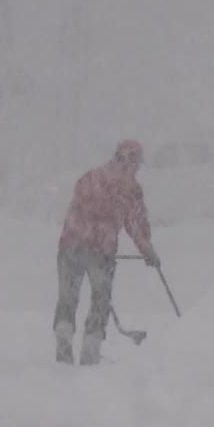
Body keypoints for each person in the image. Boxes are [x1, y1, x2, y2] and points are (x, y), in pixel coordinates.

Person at [54, 139, 160, 365]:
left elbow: (76, 208)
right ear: (130, 161)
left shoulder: (90, 177)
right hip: (100, 251)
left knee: (68, 297)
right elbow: (136, 225)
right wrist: (148, 252)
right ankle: (91, 349)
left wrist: (80, 236)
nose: (138, 168)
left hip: (69, 246)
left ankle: (63, 336)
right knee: (100, 300)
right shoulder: (130, 189)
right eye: (137, 163)